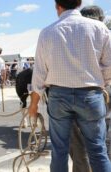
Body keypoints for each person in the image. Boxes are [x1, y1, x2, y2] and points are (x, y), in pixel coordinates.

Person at [29, 0, 111, 172]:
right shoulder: (99, 28)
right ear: (79, 4)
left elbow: (39, 73)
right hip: (91, 95)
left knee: (59, 151)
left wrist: (34, 104)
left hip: (59, 96)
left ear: (57, 6)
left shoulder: (47, 32)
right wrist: (98, 83)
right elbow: (109, 66)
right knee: (97, 150)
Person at [67, 5, 109, 172]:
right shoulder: (105, 33)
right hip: (102, 93)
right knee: (103, 146)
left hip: (71, 97)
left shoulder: (66, 36)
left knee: (78, 146)